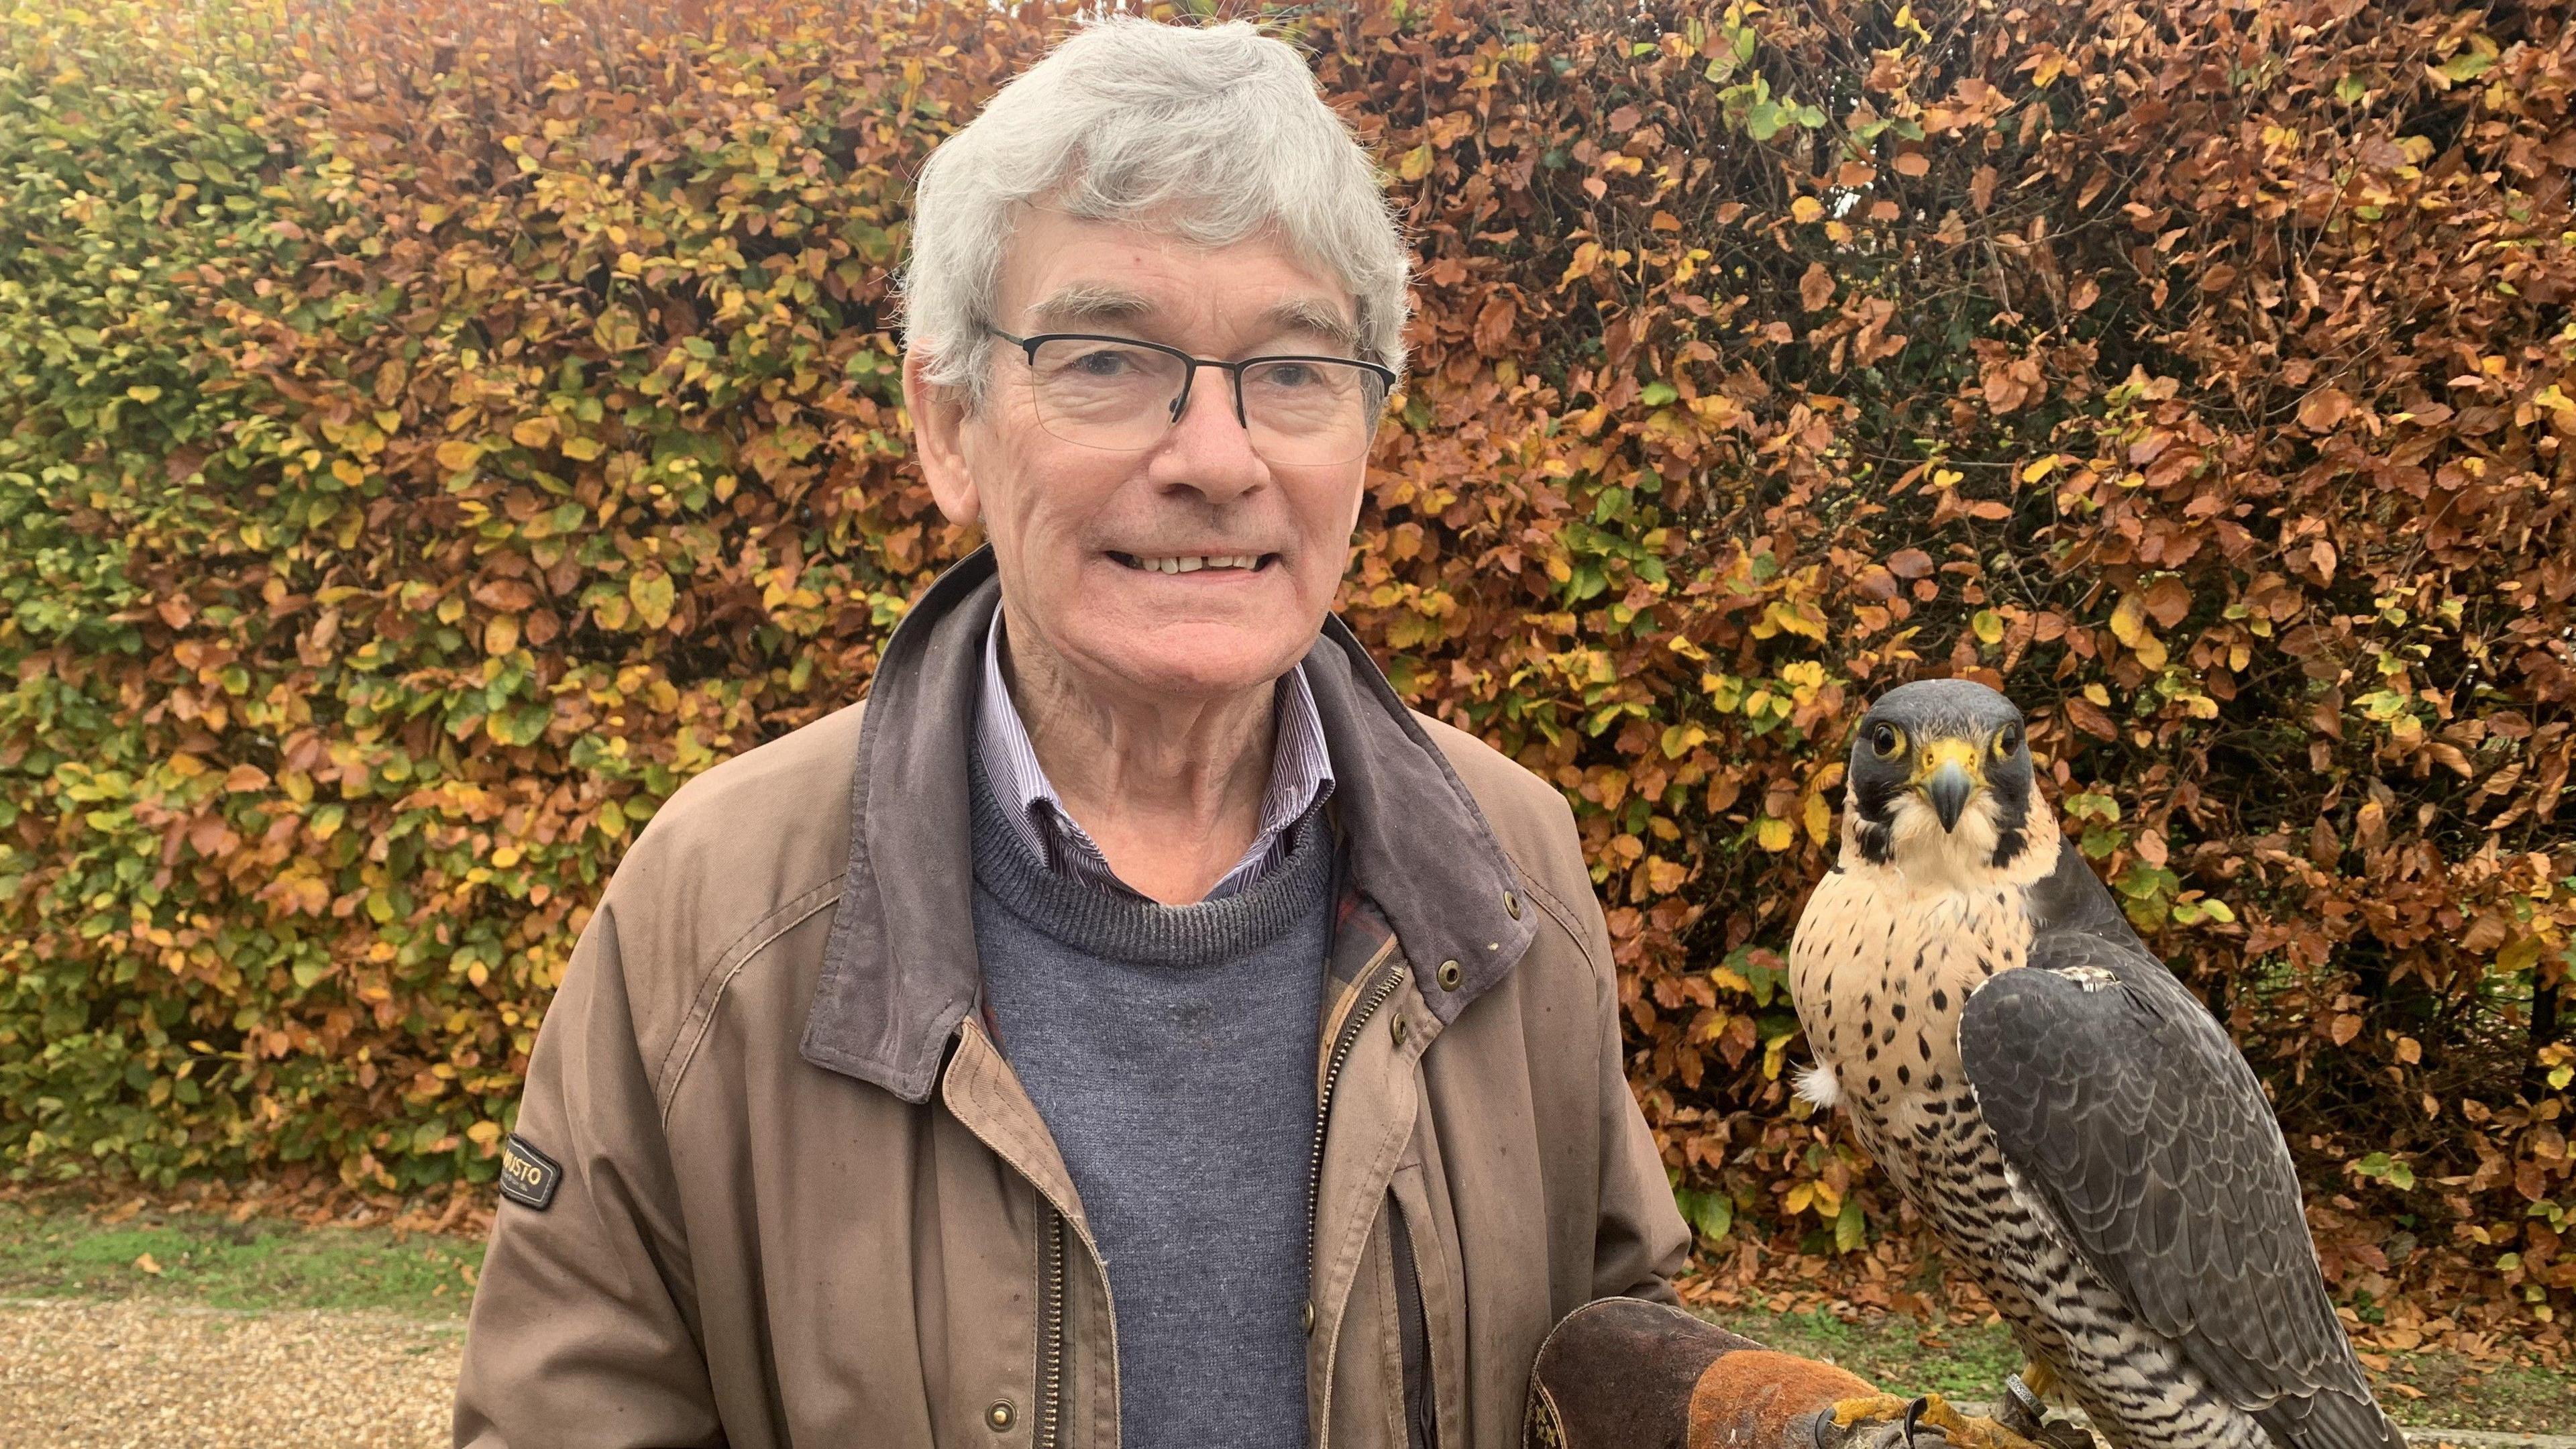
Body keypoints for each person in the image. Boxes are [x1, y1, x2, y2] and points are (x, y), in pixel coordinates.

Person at [453, 17, 2019, 1449]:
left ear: (1367, 429)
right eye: (1109, 358)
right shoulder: (717, 908)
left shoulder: (1510, 865)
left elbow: (1592, 1350)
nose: (1217, 457)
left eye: (1291, 369)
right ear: (948, 425)